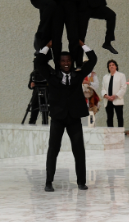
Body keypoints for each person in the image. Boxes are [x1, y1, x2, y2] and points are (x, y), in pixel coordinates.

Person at [35, 40, 97, 192]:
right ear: (59, 62)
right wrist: (47, 46)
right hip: (57, 118)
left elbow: (93, 59)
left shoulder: (78, 74)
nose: (66, 63)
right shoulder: (52, 75)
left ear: (72, 61)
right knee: (53, 150)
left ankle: (81, 182)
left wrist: (83, 45)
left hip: (74, 118)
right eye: (63, 61)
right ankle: (49, 182)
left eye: (68, 60)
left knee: (79, 150)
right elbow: (38, 62)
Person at [101, 60, 127, 127]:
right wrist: (106, 96)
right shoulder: (105, 77)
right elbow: (102, 88)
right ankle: (110, 134)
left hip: (117, 99)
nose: (111, 66)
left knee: (119, 118)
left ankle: (120, 134)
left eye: (113, 65)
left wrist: (115, 96)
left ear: (116, 66)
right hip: (108, 100)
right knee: (109, 118)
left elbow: (123, 88)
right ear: (108, 67)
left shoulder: (121, 75)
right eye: (110, 65)